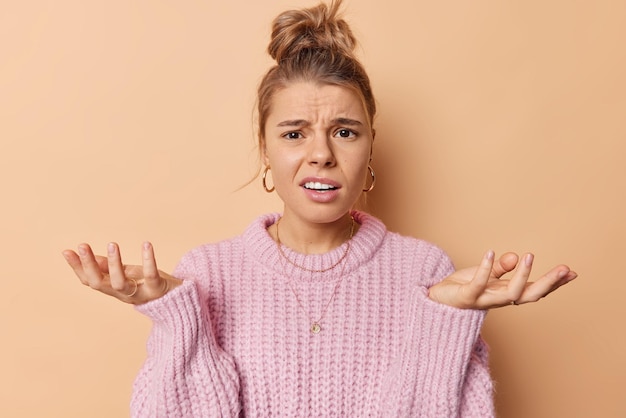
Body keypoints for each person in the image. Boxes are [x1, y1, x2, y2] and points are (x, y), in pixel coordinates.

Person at [62, 1, 578, 416]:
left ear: (370, 147)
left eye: (345, 132)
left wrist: (442, 320)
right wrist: (179, 320)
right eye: (294, 133)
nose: (322, 154)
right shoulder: (205, 275)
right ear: (265, 151)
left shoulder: (427, 273)